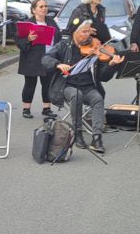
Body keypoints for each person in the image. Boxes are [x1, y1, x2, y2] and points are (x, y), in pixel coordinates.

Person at [42, 20, 124, 153]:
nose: (88, 35)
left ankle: (96, 137)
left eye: (89, 31)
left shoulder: (95, 48)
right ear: (75, 32)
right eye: (84, 32)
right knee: (76, 95)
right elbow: (46, 58)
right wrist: (58, 64)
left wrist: (111, 65)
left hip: (88, 86)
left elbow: (104, 77)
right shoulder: (63, 45)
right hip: (67, 85)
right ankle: (77, 132)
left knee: (98, 98)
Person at [16, 0, 62, 119]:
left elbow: (59, 36)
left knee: (47, 84)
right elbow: (19, 42)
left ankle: (47, 108)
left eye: (45, 6)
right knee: (30, 84)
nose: (44, 8)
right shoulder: (27, 23)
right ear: (33, 10)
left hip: (48, 57)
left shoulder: (51, 21)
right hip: (32, 58)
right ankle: (26, 108)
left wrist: (54, 35)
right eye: (41, 6)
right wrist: (28, 39)